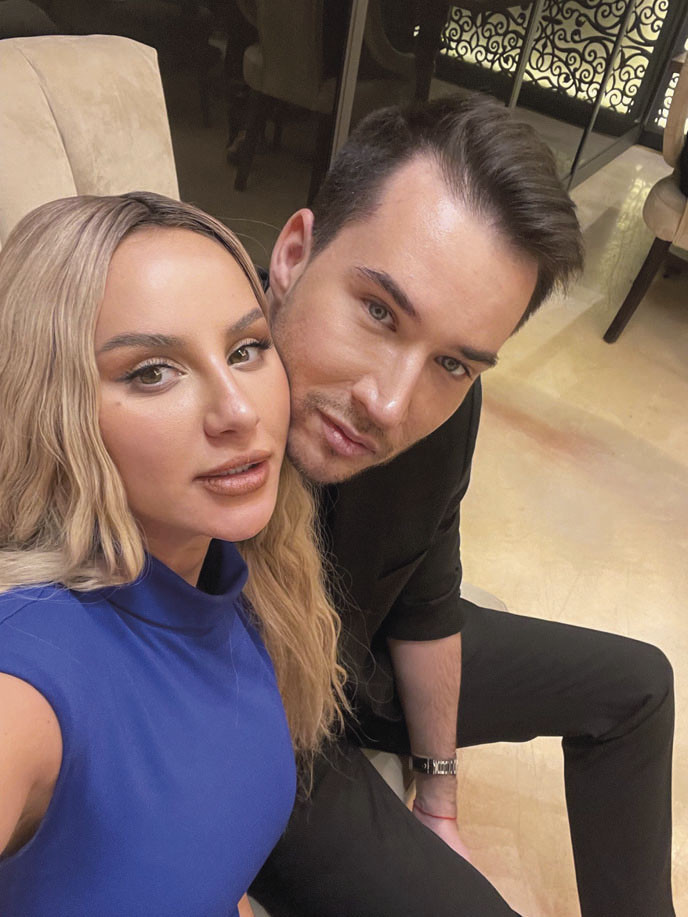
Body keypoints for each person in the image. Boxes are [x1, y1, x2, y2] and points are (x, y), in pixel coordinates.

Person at [248, 94, 676, 916]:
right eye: (379, 312)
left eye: (453, 361)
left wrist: (438, 793)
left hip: (363, 660)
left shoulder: (443, 406)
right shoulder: (199, 410)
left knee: (639, 686)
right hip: (271, 728)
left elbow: (427, 592)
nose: (387, 402)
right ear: (295, 253)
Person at [0, 192, 346, 916]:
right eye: (152, 371)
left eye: (246, 350)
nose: (239, 412)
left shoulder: (234, 578)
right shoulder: (27, 675)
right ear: (53, 409)